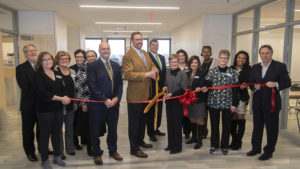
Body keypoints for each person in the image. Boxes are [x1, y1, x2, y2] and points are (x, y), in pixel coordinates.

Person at [247, 45, 291, 161]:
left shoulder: (279, 66)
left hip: (272, 104)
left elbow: (287, 82)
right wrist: (254, 87)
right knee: (257, 127)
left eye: (267, 53)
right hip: (257, 103)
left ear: (271, 53)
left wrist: (276, 84)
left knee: (271, 128)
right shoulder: (255, 67)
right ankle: (255, 148)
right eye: (262, 53)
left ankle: (269, 151)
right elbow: (250, 82)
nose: (265, 55)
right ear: (260, 54)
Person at [87, 42, 123, 165]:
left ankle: (113, 151)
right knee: (95, 130)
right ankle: (96, 153)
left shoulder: (116, 65)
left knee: (113, 129)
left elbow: (119, 84)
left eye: (107, 48)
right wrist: (105, 99)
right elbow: (92, 85)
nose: (106, 51)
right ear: (99, 50)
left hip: (114, 105)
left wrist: (117, 98)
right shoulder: (92, 66)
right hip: (97, 105)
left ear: (110, 50)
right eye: (103, 49)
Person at [122, 32, 157, 158]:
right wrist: (146, 74)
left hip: (146, 94)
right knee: (134, 123)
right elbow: (128, 74)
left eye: (141, 39)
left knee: (143, 121)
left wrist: (153, 69)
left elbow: (151, 64)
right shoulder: (128, 56)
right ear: (131, 41)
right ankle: (134, 148)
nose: (139, 41)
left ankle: (140, 141)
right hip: (135, 96)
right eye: (137, 39)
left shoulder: (145, 53)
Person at [34, 51, 70, 169]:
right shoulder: (38, 75)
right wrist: (61, 98)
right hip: (44, 110)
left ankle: (57, 156)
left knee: (56, 133)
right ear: (40, 62)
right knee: (45, 135)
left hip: (58, 109)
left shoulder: (56, 73)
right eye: (45, 60)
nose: (48, 61)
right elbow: (43, 93)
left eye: (49, 59)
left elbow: (63, 88)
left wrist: (65, 98)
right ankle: (44, 159)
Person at [204, 49, 238, 155]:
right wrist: (205, 88)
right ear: (218, 58)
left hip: (227, 104)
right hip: (213, 103)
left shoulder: (232, 72)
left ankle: (224, 146)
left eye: (226, 58)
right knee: (214, 125)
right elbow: (208, 85)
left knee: (226, 125)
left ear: (228, 59)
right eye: (222, 57)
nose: (223, 60)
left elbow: (235, 89)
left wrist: (234, 104)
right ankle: (214, 145)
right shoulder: (212, 71)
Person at [74, 50, 106, 156]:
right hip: (88, 104)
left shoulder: (102, 68)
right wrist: (83, 103)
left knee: (97, 127)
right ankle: (90, 148)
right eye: (88, 57)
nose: (91, 58)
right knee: (89, 128)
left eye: (93, 56)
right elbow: (79, 89)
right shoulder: (82, 71)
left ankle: (96, 146)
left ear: (96, 56)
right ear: (86, 59)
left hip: (100, 103)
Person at [16, 44, 40, 161]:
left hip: (42, 105)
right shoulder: (20, 68)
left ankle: (43, 148)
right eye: (29, 51)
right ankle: (30, 152)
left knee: (42, 129)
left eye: (34, 50)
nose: (33, 53)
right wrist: (43, 91)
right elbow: (24, 86)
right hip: (28, 106)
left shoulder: (42, 66)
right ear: (25, 54)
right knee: (28, 131)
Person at [164, 54, 187, 154]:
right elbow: (165, 83)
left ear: (178, 62)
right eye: (172, 62)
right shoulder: (168, 72)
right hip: (169, 101)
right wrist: (164, 88)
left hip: (178, 102)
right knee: (170, 124)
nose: (173, 64)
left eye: (175, 62)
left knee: (177, 125)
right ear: (169, 63)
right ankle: (170, 144)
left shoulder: (182, 74)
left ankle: (177, 147)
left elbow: (184, 88)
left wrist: (172, 94)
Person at [55, 51, 76, 159]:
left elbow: (75, 89)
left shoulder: (72, 71)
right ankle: (59, 151)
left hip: (71, 105)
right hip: (58, 106)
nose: (64, 61)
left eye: (66, 59)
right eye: (62, 59)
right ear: (57, 60)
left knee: (70, 128)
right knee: (58, 130)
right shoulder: (54, 72)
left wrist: (75, 103)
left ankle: (70, 148)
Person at [229, 51, 251, 150]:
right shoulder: (231, 68)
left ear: (246, 60)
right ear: (236, 58)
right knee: (232, 119)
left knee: (240, 118)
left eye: (243, 58)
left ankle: (238, 141)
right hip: (231, 98)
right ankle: (234, 140)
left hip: (242, 97)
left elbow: (251, 81)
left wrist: (246, 83)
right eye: (239, 57)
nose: (241, 60)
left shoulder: (248, 69)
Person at [185, 56, 207, 149]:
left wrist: (200, 87)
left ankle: (200, 140)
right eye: (192, 63)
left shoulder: (202, 73)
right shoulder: (187, 73)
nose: (194, 64)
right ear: (190, 64)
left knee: (200, 120)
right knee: (192, 118)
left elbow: (203, 84)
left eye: (196, 62)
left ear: (198, 64)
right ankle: (193, 137)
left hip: (199, 100)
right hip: (189, 100)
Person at [147, 39, 167, 142]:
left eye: (157, 45)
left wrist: (164, 85)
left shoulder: (162, 57)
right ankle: (151, 132)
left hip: (161, 89)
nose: (155, 47)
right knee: (151, 112)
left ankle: (156, 128)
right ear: (149, 46)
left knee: (159, 110)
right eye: (153, 45)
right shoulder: (146, 57)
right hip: (151, 90)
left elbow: (164, 73)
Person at [199, 46, 218, 139]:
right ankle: (203, 130)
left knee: (212, 113)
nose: (206, 53)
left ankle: (213, 133)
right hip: (202, 92)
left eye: (208, 52)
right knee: (203, 112)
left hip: (212, 92)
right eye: (204, 52)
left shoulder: (215, 62)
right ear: (202, 53)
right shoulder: (200, 62)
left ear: (211, 53)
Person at [70, 49, 86, 150]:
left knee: (84, 120)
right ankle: (75, 142)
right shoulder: (70, 69)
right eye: (77, 57)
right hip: (74, 100)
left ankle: (84, 139)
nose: (79, 59)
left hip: (85, 99)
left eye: (81, 57)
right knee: (74, 122)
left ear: (84, 58)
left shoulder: (88, 68)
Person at [176, 49, 191, 139]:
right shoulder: (174, 67)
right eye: (179, 56)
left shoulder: (190, 67)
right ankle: (177, 132)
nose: (181, 57)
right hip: (176, 95)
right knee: (177, 115)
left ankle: (187, 132)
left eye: (183, 55)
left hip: (187, 95)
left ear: (185, 57)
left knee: (186, 115)